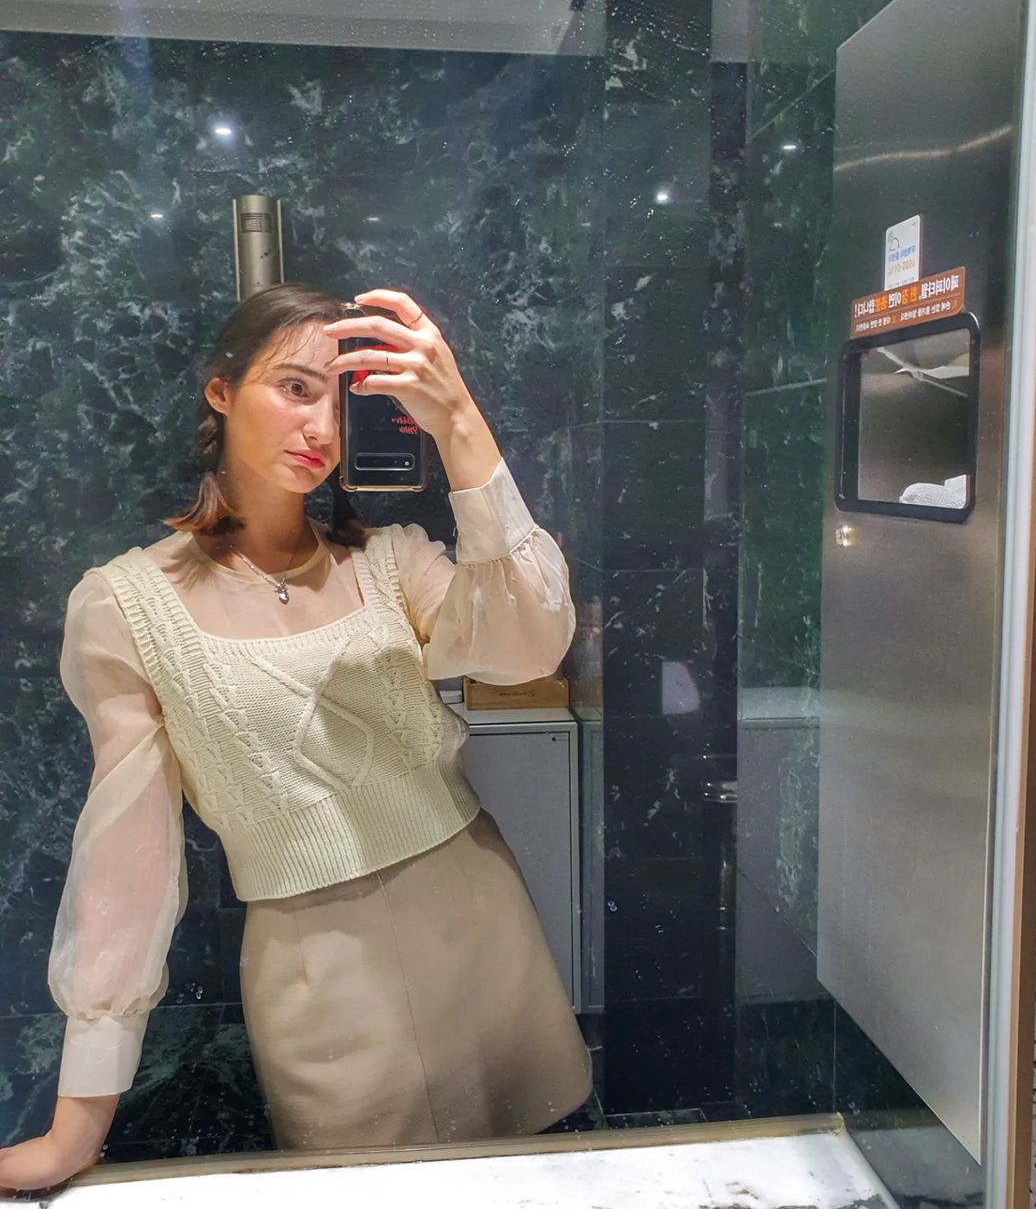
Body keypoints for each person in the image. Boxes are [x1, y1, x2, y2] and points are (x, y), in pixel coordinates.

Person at [0, 283, 593, 1195]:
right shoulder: (125, 607)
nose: (321, 427)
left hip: (485, 940)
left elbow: (529, 646)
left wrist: (460, 423)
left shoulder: (393, 562)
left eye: (345, 405)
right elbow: (127, 866)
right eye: (295, 387)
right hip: (319, 987)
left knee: (537, 1187)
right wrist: (76, 1129)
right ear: (221, 391)